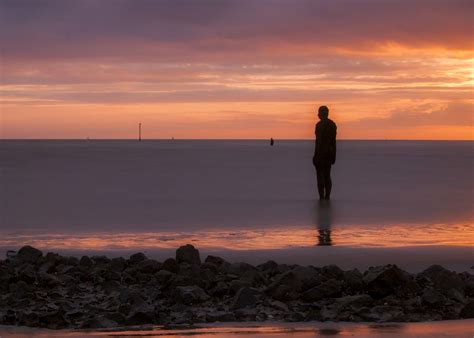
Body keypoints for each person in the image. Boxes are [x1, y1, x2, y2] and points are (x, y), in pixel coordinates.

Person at [313, 105, 337, 200]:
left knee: (320, 175)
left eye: (319, 112)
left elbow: (318, 142)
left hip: (321, 154)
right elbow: (334, 142)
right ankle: (327, 196)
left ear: (322, 114)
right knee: (327, 175)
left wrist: (315, 155)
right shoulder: (332, 124)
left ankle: (321, 197)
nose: (317, 114)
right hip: (330, 153)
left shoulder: (319, 125)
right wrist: (334, 155)